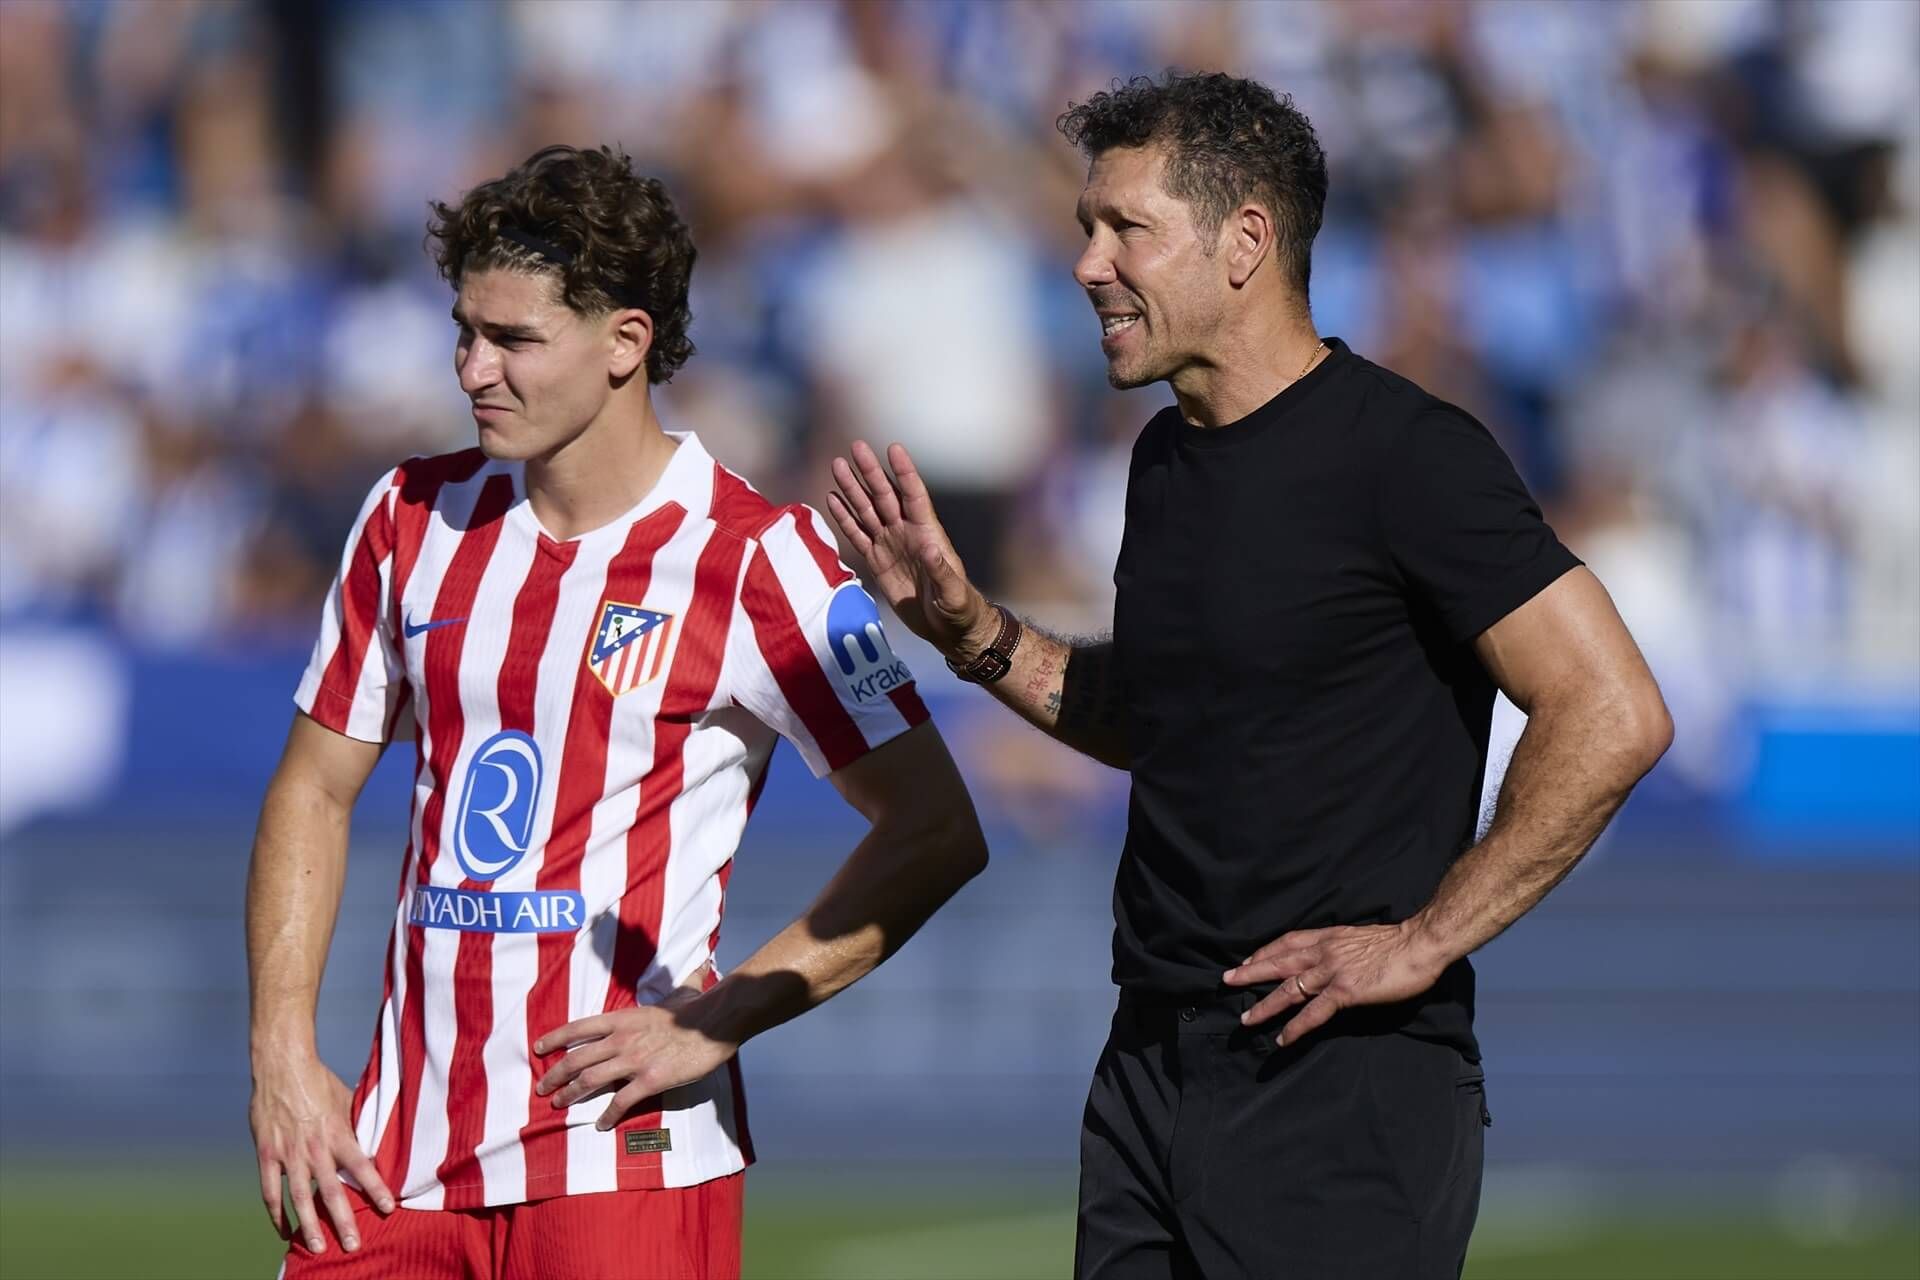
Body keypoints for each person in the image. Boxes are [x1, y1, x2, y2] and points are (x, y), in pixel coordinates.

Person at [827, 72, 1672, 1280]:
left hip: (1340, 1082)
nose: (1087, 265)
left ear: (1247, 243)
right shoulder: (1166, 458)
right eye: (1085, 229)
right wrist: (970, 630)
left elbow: (1616, 709)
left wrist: (1425, 937)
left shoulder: (1408, 453)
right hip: (1148, 1069)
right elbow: (1159, 717)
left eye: (1127, 229)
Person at [245, 144, 988, 1280]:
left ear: (625, 343)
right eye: (465, 330)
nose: (473, 369)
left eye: (515, 340)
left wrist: (719, 1013)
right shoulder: (408, 516)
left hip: (621, 1161)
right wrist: (282, 1055)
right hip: (394, 1157)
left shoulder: (758, 561)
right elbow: (314, 783)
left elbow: (935, 827)